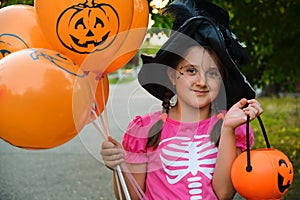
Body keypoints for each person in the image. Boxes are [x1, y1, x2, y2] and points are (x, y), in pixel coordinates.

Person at [100, 0, 263, 199]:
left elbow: (225, 193)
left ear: (222, 80)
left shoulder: (231, 126)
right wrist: (119, 167)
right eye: (191, 71)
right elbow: (130, 197)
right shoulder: (145, 130)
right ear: (172, 76)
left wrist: (228, 128)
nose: (202, 82)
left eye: (212, 73)